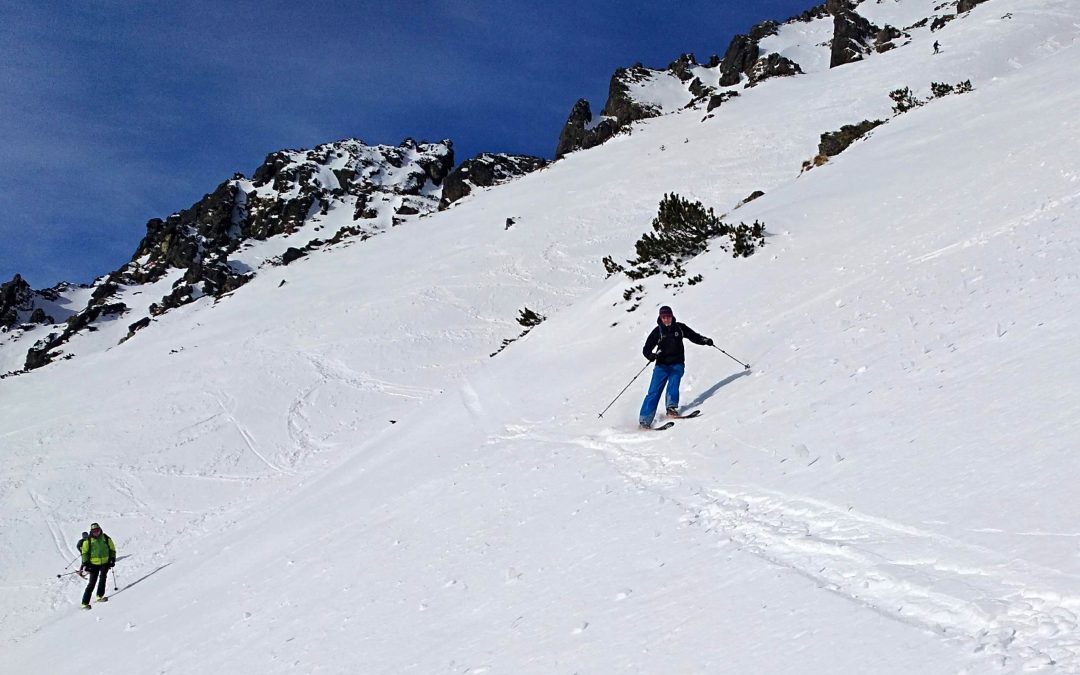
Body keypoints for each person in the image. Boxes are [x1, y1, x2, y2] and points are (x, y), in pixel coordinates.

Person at [639, 306, 712, 428]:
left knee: (674, 381)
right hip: (661, 366)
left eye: (668, 317)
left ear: (672, 316)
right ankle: (644, 421)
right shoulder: (657, 331)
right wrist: (650, 355)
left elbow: (693, 336)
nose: (666, 319)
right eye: (664, 317)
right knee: (653, 392)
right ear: (660, 318)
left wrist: (704, 340)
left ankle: (671, 408)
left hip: (677, 363)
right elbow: (646, 349)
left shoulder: (679, 328)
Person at [79, 522, 116, 608]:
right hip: (93, 564)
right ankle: (84, 603)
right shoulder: (88, 541)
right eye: (94, 531)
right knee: (92, 583)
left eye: (97, 530)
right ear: (91, 531)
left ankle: (100, 596)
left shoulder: (106, 538)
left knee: (103, 579)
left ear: (100, 529)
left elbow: (112, 548)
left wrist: (112, 559)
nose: (96, 532)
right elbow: (85, 553)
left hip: (105, 563)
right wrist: (86, 563)